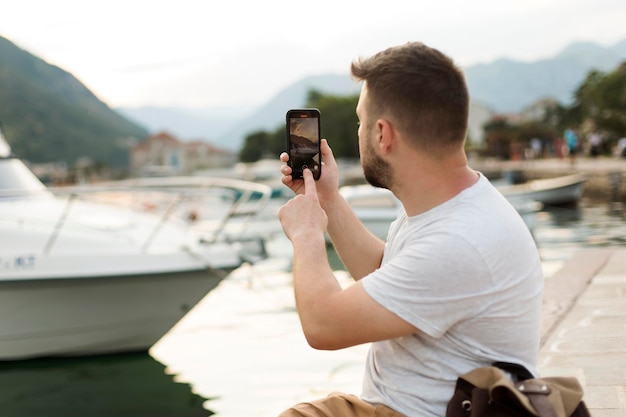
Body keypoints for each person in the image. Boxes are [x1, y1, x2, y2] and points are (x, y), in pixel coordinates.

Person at [277, 42, 543, 417]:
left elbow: (322, 325)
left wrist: (305, 235)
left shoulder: (461, 240)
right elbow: (388, 275)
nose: (359, 132)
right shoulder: (448, 208)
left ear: (383, 134)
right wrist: (327, 200)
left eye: (360, 122)